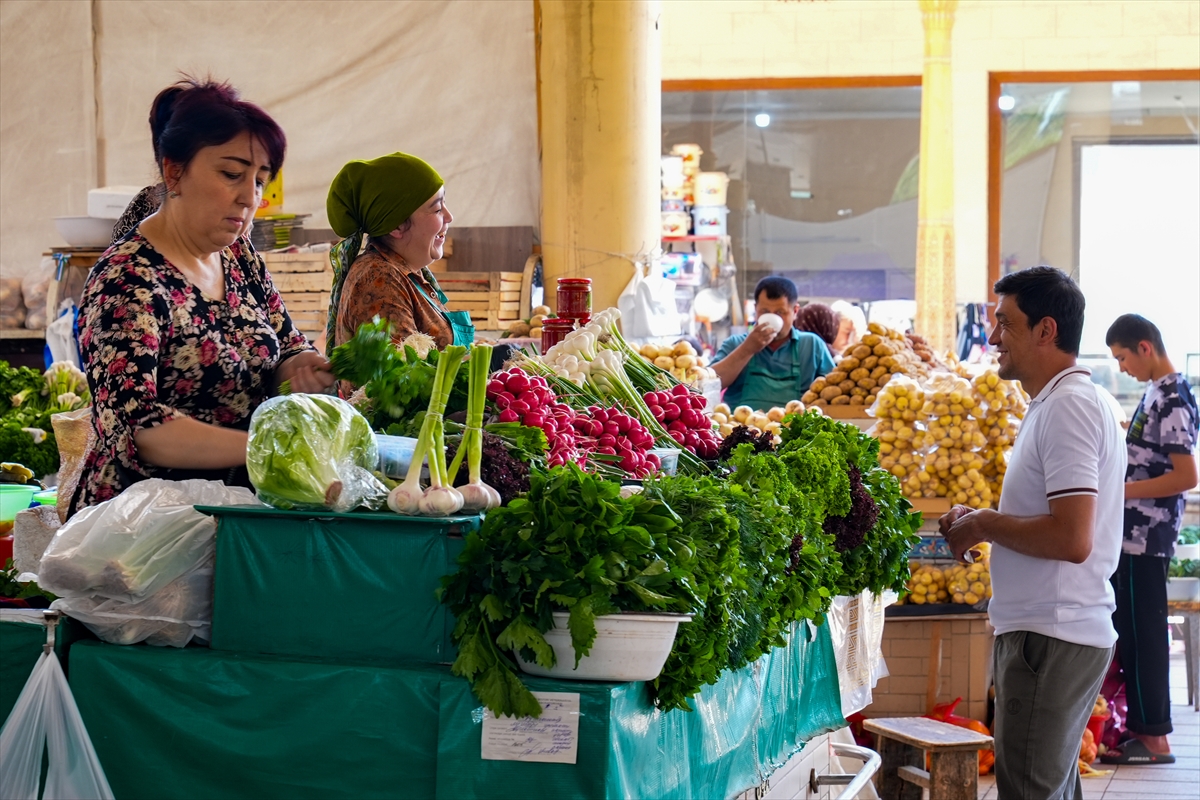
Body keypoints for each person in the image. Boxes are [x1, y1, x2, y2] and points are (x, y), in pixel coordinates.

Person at [74, 78, 334, 512]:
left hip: (238, 509)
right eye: (232, 174)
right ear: (174, 171)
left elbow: (286, 346)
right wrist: (261, 447)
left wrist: (299, 368)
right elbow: (138, 426)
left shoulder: (237, 256)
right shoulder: (127, 279)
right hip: (144, 528)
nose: (249, 197)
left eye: (259, 181)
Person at [940, 266, 1124, 800]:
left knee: (1028, 792)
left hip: (1052, 634)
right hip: (1049, 631)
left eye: (1005, 323)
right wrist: (983, 520)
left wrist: (984, 523)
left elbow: (1072, 539)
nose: (993, 337)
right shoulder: (1055, 402)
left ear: (1046, 330)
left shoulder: (1069, 407)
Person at [1099, 313, 1198, 765]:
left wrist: (1124, 490)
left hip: (1146, 536)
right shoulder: (1157, 392)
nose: (1121, 368)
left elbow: (1185, 476)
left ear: (1145, 347)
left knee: (1145, 637)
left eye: (1122, 357)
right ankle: (1143, 729)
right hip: (1134, 535)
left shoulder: (1173, 396)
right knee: (1134, 636)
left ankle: (1154, 737)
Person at [327, 152, 473, 359]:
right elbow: (406, 374)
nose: (449, 217)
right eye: (438, 209)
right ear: (397, 225)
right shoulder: (379, 280)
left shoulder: (409, 274)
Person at [711, 276, 834, 411]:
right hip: (741, 429)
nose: (773, 317)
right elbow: (709, 385)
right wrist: (747, 349)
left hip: (796, 430)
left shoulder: (812, 345)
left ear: (795, 311)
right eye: (765, 312)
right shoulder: (735, 343)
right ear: (755, 309)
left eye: (780, 312)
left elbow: (833, 391)